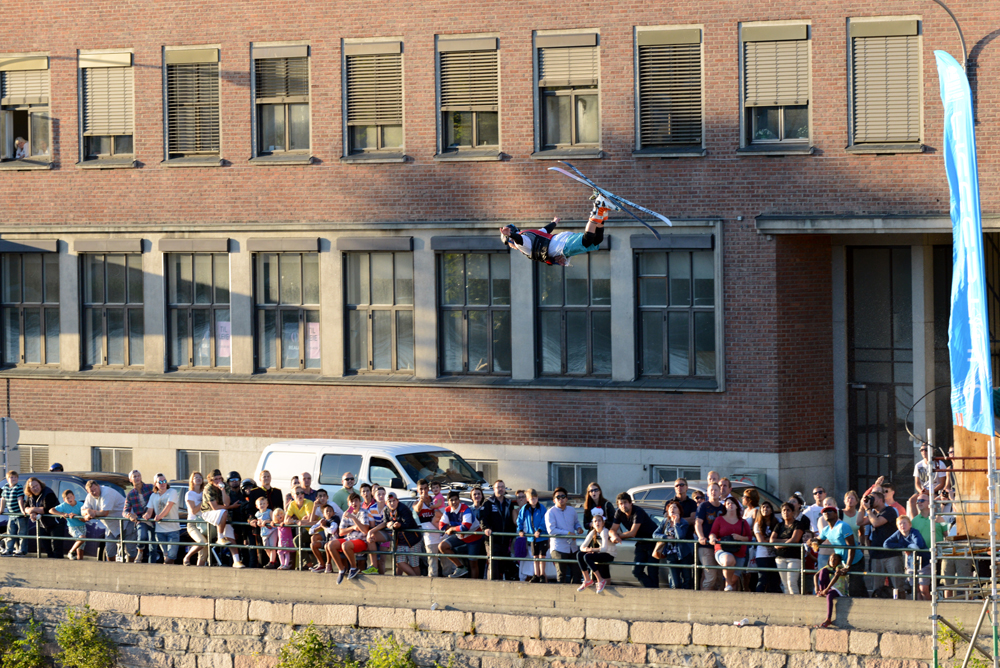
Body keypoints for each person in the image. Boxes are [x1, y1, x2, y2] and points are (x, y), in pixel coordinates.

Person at [500, 193, 611, 267]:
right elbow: (546, 230)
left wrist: (511, 235)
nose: (511, 247)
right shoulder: (529, 235)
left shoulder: (520, 242)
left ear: (510, 240)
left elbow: (519, 240)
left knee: (587, 240)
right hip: (561, 241)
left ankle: (597, 207)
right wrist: (554, 222)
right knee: (597, 241)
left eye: (509, 244)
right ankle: (602, 211)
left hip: (561, 245)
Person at [609, 492, 659, 588]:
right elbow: (612, 530)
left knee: (652, 572)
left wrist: (618, 536)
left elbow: (632, 533)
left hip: (652, 542)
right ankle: (652, 590)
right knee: (636, 571)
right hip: (641, 542)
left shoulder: (638, 511)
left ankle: (654, 592)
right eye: (620, 504)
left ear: (630, 503)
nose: (623, 506)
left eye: (625, 503)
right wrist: (614, 536)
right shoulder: (619, 513)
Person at [816, 505, 866, 597]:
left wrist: (848, 565)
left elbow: (851, 547)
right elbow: (818, 540)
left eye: (830, 511)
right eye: (824, 512)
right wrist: (811, 541)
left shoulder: (843, 526)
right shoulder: (826, 530)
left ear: (836, 514)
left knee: (854, 588)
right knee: (856, 587)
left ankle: (865, 604)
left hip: (856, 561)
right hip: (844, 562)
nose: (826, 513)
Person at [858, 491, 902, 594]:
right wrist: (861, 507)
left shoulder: (889, 511)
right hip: (876, 554)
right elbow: (859, 522)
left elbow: (876, 523)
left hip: (891, 554)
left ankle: (901, 602)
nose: (870, 501)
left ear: (880, 500)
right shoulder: (873, 513)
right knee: (877, 587)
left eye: (872, 499)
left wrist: (868, 510)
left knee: (897, 586)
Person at [438, 491, 485, 579]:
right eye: (451, 500)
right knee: (442, 546)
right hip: (460, 536)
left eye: (456, 499)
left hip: (474, 537)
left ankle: (475, 583)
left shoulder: (465, 508)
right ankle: (460, 567)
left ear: (459, 500)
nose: (454, 502)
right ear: (448, 502)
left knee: (473, 563)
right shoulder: (447, 510)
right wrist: (458, 530)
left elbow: (466, 527)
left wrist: (452, 529)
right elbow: (441, 526)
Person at [709, 497, 752, 592]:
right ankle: (727, 584)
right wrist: (712, 538)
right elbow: (713, 532)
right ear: (725, 506)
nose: (730, 505)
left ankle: (727, 590)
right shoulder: (719, 519)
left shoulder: (743, 522)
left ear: (737, 506)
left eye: (732, 503)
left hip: (739, 551)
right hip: (722, 549)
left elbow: (749, 537)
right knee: (728, 560)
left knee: (733, 581)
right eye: (727, 503)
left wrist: (740, 538)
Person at [883, 515, 930, 599]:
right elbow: (886, 544)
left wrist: (908, 547)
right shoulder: (898, 533)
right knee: (916, 589)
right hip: (911, 564)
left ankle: (929, 605)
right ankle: (919, 606)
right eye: (900, 524)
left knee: (924, 589)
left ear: (910, 525)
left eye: (904, 523)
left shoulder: (914, 532)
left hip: (924, 563)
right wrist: (905, 547)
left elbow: (919, 545)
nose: (902, 525)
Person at [652, 500, 693, 589]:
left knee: (687, 580)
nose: (672, 509)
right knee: (675, 583)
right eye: (670, 508)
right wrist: (665, 537)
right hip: (670, 554)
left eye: (675, 507)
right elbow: (655, 534)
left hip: (683, 554)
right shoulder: (665, 521)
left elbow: (680, 536)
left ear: (679, 511)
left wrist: (676, 523)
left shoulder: (683, 522)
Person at [481, 480, 518, 580]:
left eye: (502, 487)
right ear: (494, 489)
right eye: (498, 487)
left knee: (503, 564)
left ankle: (502, 584)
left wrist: (512, 535)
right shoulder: (488, 502)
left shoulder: (508, 503)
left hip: (505, 540)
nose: (500, 489)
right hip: (492, 539)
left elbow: (511, 520)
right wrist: (486, 528)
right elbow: (483, 518)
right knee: (493, 564)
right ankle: (492, 585)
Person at [546, 487, 584, 584]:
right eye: (558, 497)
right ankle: (560, 593)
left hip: (572, 547)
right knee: (562, 574)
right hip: (558, 548)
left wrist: (579, 528)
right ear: (554, 500)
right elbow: (551, 530)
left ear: (566, 499)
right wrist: (568, 533)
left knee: (577, 573)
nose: (561, 499)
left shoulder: (572, 510)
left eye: (563, 496)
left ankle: (573, 591)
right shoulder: (550, 512)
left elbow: (576, 523)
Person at [81, 480, 126, 562]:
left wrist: (92, 513)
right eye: (91, 491)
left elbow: (104, 513)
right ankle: (111, 567)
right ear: (88, 492)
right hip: (110, 525)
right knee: (109, 551)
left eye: (95, 489)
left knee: (129, 550)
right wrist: (87, 511)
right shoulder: (89, 496)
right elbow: (82, 511)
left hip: (125, 521)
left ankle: (131, 567)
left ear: (98, 486)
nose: (94, 492)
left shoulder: (107, 492)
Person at [331, 493, 370, 582]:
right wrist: (352, 527)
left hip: (361, 540)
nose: (354, 503)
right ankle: (341, 569)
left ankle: (353, 567)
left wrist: (353, 518)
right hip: (349, 539)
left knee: (345, 545)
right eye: (351, 501)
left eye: (356, 500)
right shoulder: (346, 513)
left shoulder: (363, 512)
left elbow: (364, 530)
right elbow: (341, 532)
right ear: (348, 503)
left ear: (360, 502)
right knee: (330, 545)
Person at [694, 482, 725, 591]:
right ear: (707, 493)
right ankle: (704, 598)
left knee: (719, 578)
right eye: (711, 490)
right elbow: (698, 523)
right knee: (710, 576)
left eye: (716, 490)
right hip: (706, 546)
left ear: (720, 492)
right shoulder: (704, 506)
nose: (713, 492)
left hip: (719, 546)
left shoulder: (723, 508)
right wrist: (701, 537)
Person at [144, 474, 181, 565]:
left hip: (173, 530)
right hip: (160, 531)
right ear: (155, 484)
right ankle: (169, 573)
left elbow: (169, 506)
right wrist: (147, 515)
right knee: (166, 556)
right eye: (160, 482)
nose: (163, 483)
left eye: (164, 481)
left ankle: (162, 569)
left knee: (171, 556)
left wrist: (160, 516)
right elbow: (149, 510)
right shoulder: (153, 495)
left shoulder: (172, 492)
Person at [414, 479, 448, 577]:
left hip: (442, 535)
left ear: (428, 489)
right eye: (421, 489)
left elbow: (444, 512)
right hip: (430, 538)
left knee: (447, 562)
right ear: (417, 490)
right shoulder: (417, 502)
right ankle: (432, 582)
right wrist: (421, 499)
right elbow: (417, 509)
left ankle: (449, 581)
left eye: (425, 488)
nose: (423, 491)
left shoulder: (435, 499)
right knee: (433, 564)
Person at [577, 509, 616, 593]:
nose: (597, 522)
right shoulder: (593, 532)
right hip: (601, 552)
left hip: (609, 554)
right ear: (592, 524)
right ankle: (587, 579)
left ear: (603, 523)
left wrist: (591, 549)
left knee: (587, 556)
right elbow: (582, 547)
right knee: (579, 554)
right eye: (595, 521)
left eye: (599, 521)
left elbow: (604, 549)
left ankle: (600, 580)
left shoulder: (605, 531)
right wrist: (586, 549)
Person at [771, 502, 806, 595]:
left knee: (791, 583)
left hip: (794, 558)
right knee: (785, 585)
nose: (786, 512)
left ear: (793, 512)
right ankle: (788, 603)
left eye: (788, 510)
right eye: (783, 510)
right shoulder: (779, 525)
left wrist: (779, 544)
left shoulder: (798, 524)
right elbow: (772, 540)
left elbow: (794, 540)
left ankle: (797, 603)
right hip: (780, 558)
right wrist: (787, 541)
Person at [385, 491, 421, 576]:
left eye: (394, 500)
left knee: (414, 564)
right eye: (390, 501)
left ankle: (417, 580)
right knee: (399, 562)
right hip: (399, 541)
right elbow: (385, 521)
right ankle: (415, 578)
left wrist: (399, 525)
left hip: (412, 540)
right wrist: (388, 524)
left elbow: (409, 523)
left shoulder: (404, 508)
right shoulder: (386, 510)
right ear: (386, 503)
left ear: (397, 501)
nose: (392, 503)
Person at [517, 488, 549, 583]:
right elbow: (520, 519)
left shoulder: (542, 508)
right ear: (528, 499)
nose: (534, 500)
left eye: (535, 498)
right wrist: (520, 530)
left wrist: (539, 530)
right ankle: (536, 574)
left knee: (542, 556)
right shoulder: (525, 508)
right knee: (535, 556)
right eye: (531, 498)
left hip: (542, 536)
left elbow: (544, 520)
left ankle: (542, 574)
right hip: (532, 537)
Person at [123, 469, 154, 563]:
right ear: (130, 480)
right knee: (141, 536)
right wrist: (130, 515)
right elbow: (125, 511)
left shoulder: (150, 487)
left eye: (138, 476)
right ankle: (140, 552)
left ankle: (153, 563)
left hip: (154, 518)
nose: (137, 478)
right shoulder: (130, 494)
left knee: (154, 544)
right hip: (141, 519)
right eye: (134, 476)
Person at [753, 501, 781, 593]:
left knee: (775, 580)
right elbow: (761, 541)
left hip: (776, 554)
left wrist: (770, 540)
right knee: (763, 578)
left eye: (768, 507)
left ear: (771, 510)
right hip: (762, 555)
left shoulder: (778, 522)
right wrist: (773, 540)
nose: (765, 509)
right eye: (763, 507)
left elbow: (781, 537)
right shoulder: (757, 524)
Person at [813, 553, 848, 628]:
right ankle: (821, 591)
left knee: (829, 596)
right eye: (831, 559)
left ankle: (828, 619)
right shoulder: (827, 567)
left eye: (835, 560)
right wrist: (816, 587)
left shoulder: (839, 567)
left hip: (838, 589)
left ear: (839, 561)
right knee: (823, 571)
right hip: (829, 588)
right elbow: (815, 575)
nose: (832, 561)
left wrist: (827, 589)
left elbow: (836, 576)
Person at [50, 489, 85, 560]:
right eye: (67, 498)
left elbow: (85, 519)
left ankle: (79, 563)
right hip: (72, 527)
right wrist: (62, 514)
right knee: (82, 538)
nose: (70, 499)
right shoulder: (64, 505)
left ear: (74, 497)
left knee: (80, 549)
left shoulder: (81, 505)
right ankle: (71, 552)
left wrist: (76, 516)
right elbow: (51, 510)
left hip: (82, 526)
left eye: (71, 497)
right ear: (64, 500)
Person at [0, 470, 27, 556]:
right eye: (11, 477)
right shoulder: (5, 487)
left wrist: (22, 510)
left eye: (15, 477)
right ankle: (9, 549)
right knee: (10, 533)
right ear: (7, 479)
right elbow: (3, 499)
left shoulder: (18, 487)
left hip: (19, 514)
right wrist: (1, 510)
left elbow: (20, 499)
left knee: (22, 533)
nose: (14, 479)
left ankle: (22, 550)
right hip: (11, 514)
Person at [309, 504, 340, 573]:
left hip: (335, 542)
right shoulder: (323, 520)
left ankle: (328, 564)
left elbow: (332, 531)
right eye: (327, 511)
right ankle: (321, 564)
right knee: (313, 545)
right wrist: (320, 526)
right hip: (327, 540)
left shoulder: (335, 519)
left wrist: (323, 527)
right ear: (323, 514)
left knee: (327, 545)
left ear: (333, 513)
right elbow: (310, 531)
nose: (329, 512)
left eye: (330, 511)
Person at [252, 495, 278, 569]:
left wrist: (267, 521)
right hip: (264, 532)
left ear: (267, 504)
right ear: (257, 506)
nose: (262, 505)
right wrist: (258, 523)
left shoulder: (270, 511)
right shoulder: (257, 514)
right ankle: (274, 560)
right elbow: (258, 522)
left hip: (272, 531)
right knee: (266, 547)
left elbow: (274, 521)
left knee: (272, 547)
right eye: (260, 504)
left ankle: (271, 562)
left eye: (264, 503)